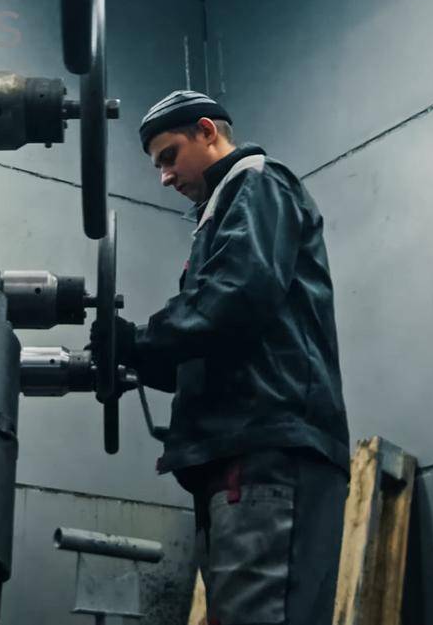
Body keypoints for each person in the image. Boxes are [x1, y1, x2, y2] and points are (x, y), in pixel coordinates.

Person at [95, 90, 350, 625]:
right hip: (240, 452)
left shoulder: (257, 181)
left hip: (266, 450)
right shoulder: (223, 209)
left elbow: (236, 296)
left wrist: (141, 341)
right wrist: (137, 358)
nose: (164, 176)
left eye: (169, 155)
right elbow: (214, 340)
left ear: (207, 131)